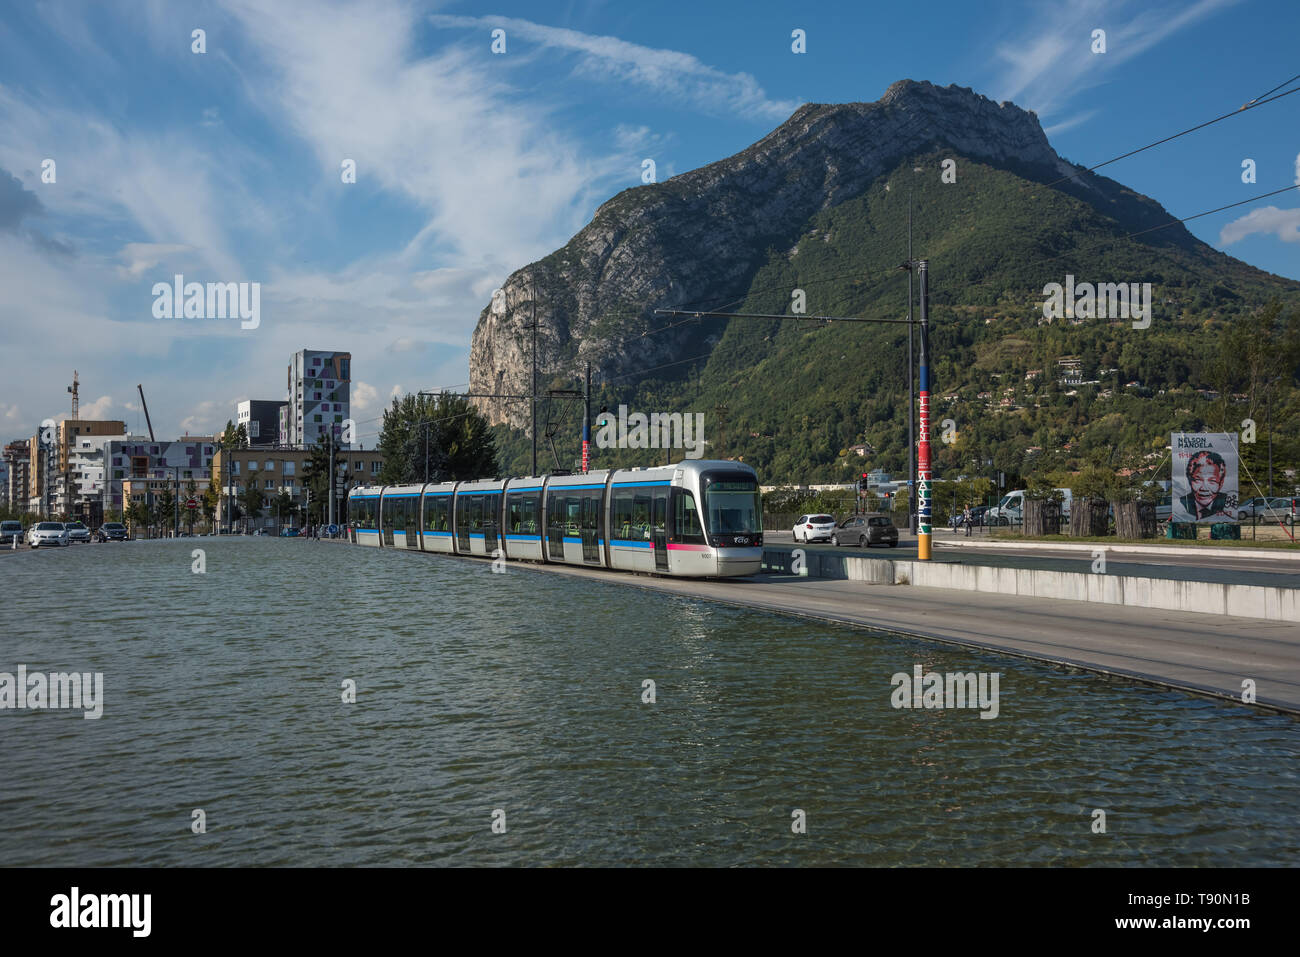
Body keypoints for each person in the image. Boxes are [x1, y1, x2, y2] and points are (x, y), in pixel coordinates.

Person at [1177, 450, 1235, 521]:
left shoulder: (1227, 502)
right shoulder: (1181, 503)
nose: (1204, 488)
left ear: (1221, 483)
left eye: (1212, 481)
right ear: (1190, 481)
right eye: (1198, 480)